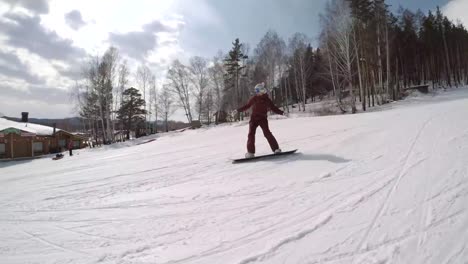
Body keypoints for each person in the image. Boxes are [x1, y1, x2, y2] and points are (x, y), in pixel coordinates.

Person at [235, 82, 286, 158]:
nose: (256, 93)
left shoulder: (267, 99)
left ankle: (276, 149)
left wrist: (282, 112)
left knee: (267, 133)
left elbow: (273, 108)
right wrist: (238, 110)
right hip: (253, 119)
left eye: (257, 91)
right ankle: (250, 153)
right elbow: (247, 106)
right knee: (251, 134)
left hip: (262, 119)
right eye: (256, 91)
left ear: (262, 90)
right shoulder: (254, 98)